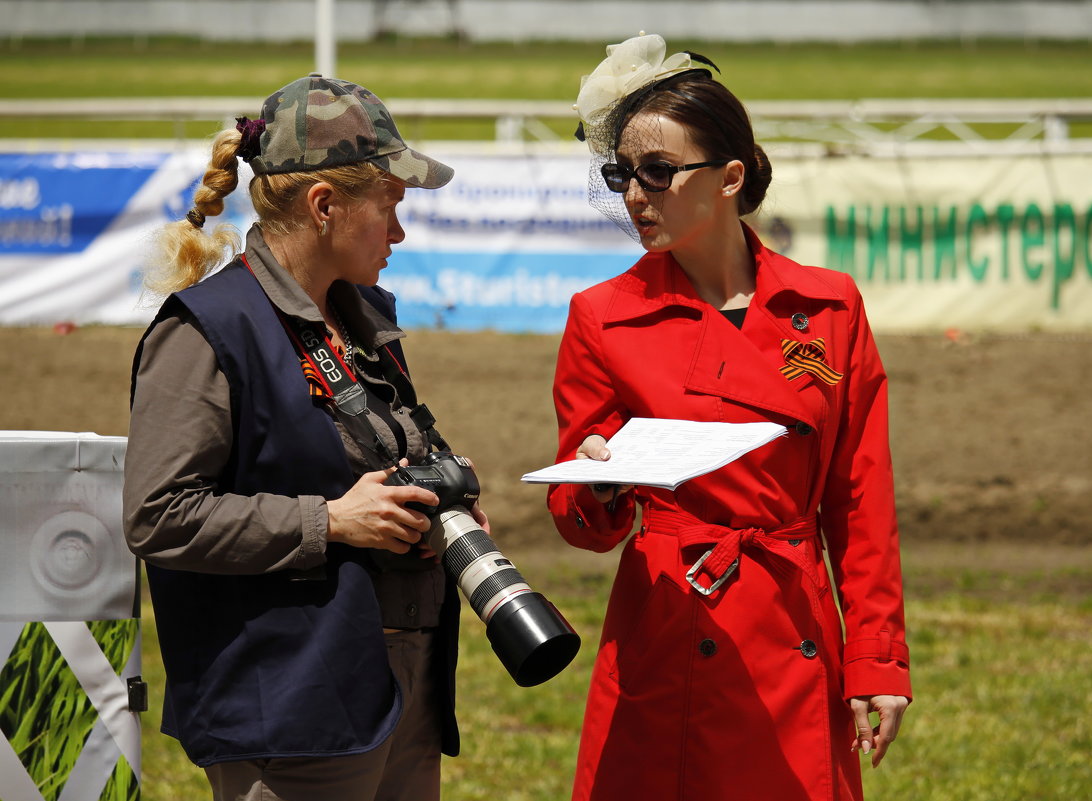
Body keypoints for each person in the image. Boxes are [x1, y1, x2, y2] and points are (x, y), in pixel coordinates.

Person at [547, 34, 912, 801]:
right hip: (670, 630)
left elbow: (859, 498)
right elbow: (581, 520)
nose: (634, 196)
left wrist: (877, 660)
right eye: (622, 174)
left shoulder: (831, 306)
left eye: (657, 172)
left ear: (730, 177)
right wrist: (601, 485)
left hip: (792, 621)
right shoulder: (601, 317)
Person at [123, 74, 484, 801]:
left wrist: (436, 502)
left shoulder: (360, 317)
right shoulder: (206, 328)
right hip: (290, 707)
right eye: (390, 208)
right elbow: (156, 513)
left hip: (392, 690)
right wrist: (331, 521)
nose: (401, 232)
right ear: (324, 206)